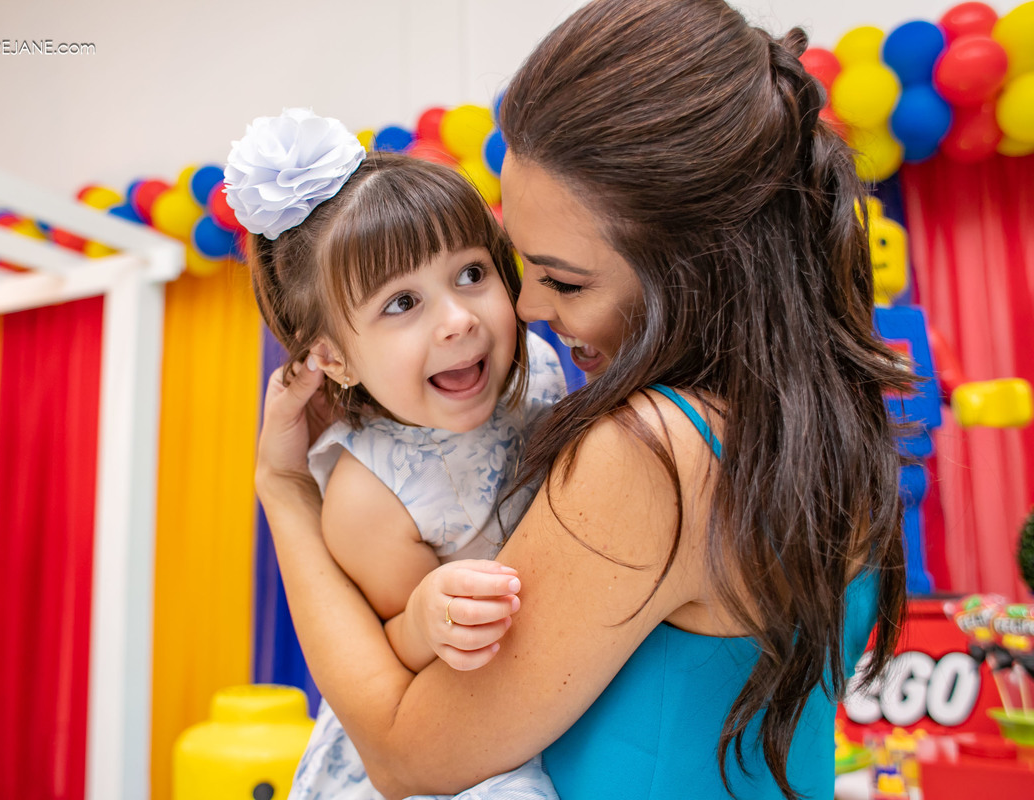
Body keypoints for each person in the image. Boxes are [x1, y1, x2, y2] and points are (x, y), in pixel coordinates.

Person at [252, 0, 913, 798]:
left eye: (563, 279)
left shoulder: (655, 452)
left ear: (697, 266)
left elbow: (403, 752)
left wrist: (284, 491)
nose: (525, 309)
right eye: (517, 266)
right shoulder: (825, 410)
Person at [224, 108, 567, 800]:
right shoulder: (368, 493)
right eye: (402, 302)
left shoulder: (541, 368)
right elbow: (391, 651)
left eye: (471, 273)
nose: (458, 318)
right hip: (437, 743)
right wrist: (426, 617)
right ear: (332, 358)